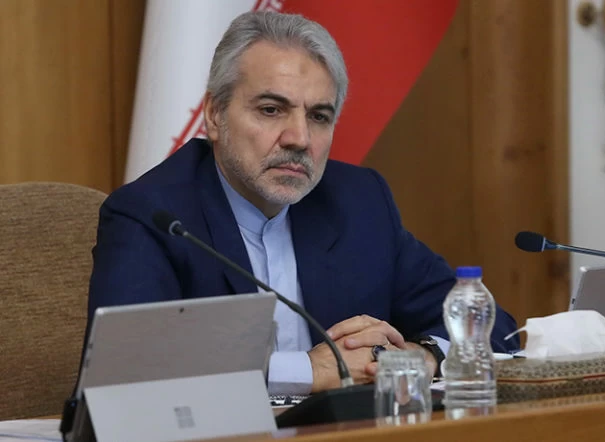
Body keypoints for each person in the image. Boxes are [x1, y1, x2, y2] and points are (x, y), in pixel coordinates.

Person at [86, 10, 520, 396]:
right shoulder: (152, 214)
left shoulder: (359, 201)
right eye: (271, 110)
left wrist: (421, 356)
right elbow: (126, 376)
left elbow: (490, 325)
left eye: (318, 116)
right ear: (215, 115)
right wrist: (308, 371)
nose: (299, 138)